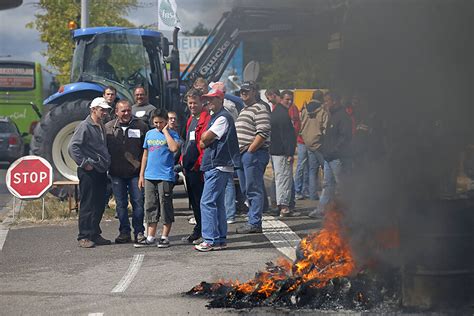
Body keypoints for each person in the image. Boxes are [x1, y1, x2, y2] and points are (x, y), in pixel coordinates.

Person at [194, 87, 241, 251]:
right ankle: (219, 239)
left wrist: (204, 138)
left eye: (212, 99)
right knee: (218, 203)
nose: (209, 102)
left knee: (206, 202)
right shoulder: (217, 117)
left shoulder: (222, 118)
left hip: (217, 164)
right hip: (219, 165)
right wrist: (204, 139)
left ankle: (209, 239)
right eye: (207, 99)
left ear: (221, 100)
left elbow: (205, 138)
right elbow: (203, 139)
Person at [68, 97, 112, 248]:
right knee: (87, 203)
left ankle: (94, 233)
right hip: (89, 171)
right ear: (93, 109)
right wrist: (84, 163)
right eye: (102, 110)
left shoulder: (100, 125)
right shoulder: (85, 126)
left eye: (106, 110)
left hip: (99, 170)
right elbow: (73, 147)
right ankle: (84, 236)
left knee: (99, 203)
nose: (105, 112)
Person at [135, 109, 181, 248]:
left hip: (165, 175)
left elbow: (174, 149)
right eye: (155, 122)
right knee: (150, 205)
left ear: (166, 121)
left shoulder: (173, 134)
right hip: (150, 175)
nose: (158, 125)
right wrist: (141, 175)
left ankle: (165, 236)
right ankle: (150, 236)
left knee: (165, 204)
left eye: (161, 122)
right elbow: (145, 155)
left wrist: (166, 132)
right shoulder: (149, 134)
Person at [105, 99, 148, 244]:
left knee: (138, 203)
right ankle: (124, 232)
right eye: (123, 111)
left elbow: (146, 150)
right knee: (121, 204)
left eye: (129, 110)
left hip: (136, 174)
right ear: (116, 112)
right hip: (116, 173)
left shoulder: (141, 126)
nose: (126, 113)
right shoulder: (108, 128)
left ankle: (139, 232)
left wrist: (143, 171)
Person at [235, 81, 271, 234]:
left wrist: (250, 151)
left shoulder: (260, 108)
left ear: (255, 92)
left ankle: (255, 222)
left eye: (247, 91)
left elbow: (263, 132)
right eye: (242, 91)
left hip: (253, 154)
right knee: (246, 189)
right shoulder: (245, 109)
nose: (243, 93)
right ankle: (252, 219)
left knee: (253, 188)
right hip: (244, 155)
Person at [308, 91, 352, 218]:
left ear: (335, 101)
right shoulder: (332, 115)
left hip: (337, 158)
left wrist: (333, 151)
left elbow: (344, 138)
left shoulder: (343, 117)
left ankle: (346, 212)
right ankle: (321, 210)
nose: (325, 104)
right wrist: (324, 149)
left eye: (327, 101)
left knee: (342, 185)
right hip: (328, 157)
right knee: (327, 184)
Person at [180, 88, 211, 244]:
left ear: (202, 102)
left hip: (198, 168)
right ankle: (199, 227)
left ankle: (205, 231)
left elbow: (204, 144)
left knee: (201, 201)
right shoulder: (190, 119)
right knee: (194, 201)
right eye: (190, 103)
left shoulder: (205, 118)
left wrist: (198, 164)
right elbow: (187, 142)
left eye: (195, 103)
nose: (192, 105)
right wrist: (182, 158)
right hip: (188, 167)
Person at [268, 89, 297, 217]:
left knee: (279, 178)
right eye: (287, 99)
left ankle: (279, 204)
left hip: (275, 151)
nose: (289, 102)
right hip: (282, 152)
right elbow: (287, 137)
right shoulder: (283, 114)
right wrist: (290, 153)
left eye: (291, 100)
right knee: (284, 179)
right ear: (281, 98)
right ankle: (284, 207)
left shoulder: (276, 112)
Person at [300, 90, 328, 201]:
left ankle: (312, 194)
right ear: (321, 98)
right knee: (326, 168)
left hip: (307, 142)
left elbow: (302, 123)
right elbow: (325, 126)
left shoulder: (305, 109)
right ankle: (327, 195)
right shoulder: (322, 110)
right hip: (319, 143)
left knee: (312, 170)